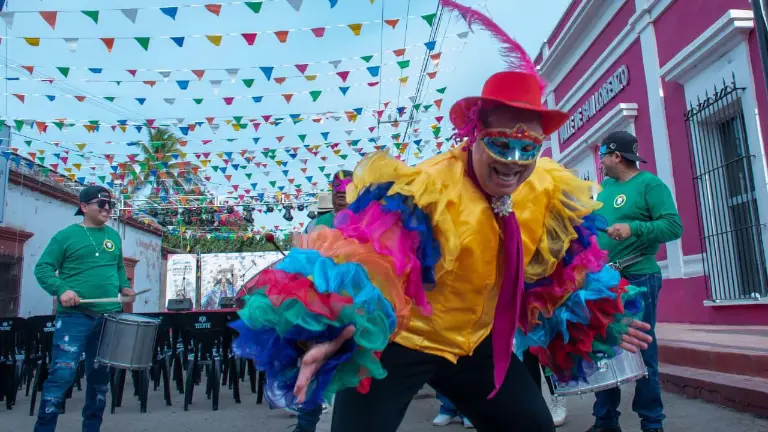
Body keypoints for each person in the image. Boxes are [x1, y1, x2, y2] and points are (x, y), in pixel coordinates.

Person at [231, 2, 653, 431]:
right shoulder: (429, 192)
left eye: (528, 147)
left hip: (477, 345)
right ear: (474, 136)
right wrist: (333, 330)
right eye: (500, 144)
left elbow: (564, 271)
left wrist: (603, 316)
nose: (514, 161)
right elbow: (369, 267)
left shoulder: (549, 190)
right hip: (403, 343)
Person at [586, 131, 683, 432]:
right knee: (604, 347)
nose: (600, 161)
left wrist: (633, 228)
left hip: (640, 275)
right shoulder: (606, 188)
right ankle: (605, 422)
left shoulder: (650, 185)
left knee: (641, 347)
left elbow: (673, 226)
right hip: (607, 280)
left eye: (603, 154)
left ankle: (651, 423)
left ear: (616, 156)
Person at [33, 186, 136, 432]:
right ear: (83, 207)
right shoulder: (65, 236)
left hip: (108, 317)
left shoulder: (113, 236)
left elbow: (118, 268)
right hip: (74, 318)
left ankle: (92, 428)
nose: (107, 209)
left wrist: (124, 286)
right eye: (101, 204)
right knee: (62, 376)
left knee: (100, 379)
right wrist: (61, 290)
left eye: (110, 205)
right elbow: (43, 268)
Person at [286, 169, 353, 432]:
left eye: (345, 188)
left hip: (356, 306)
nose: (340, 193)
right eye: (336, 189)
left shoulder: (365, 221)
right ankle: (305, 426)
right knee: (316, 365)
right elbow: (301, 259)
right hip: (321, 306)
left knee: (354, 370)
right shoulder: (317, 223)